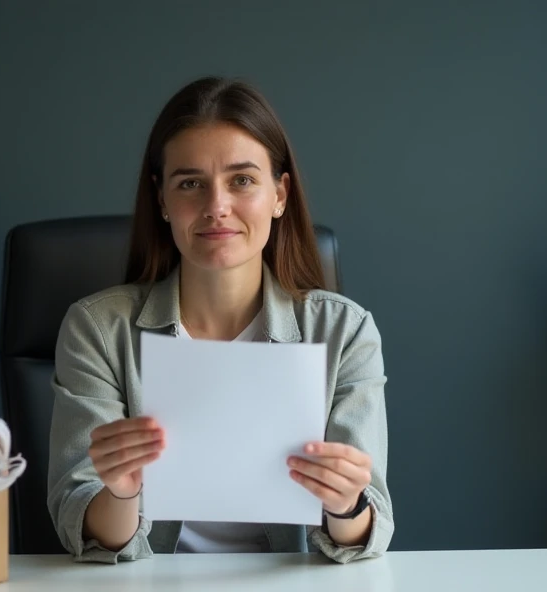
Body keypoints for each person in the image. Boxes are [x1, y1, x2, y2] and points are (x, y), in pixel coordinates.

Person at [46, 76, 393, 564]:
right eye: (190, 183)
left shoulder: (344, 332)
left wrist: (345, 503)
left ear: (280, 194)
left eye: (242, 180)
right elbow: (81, 526)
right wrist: (121, 492)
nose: (216, 207)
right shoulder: (98, 328)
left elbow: (367, 530)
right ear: (162, 200)